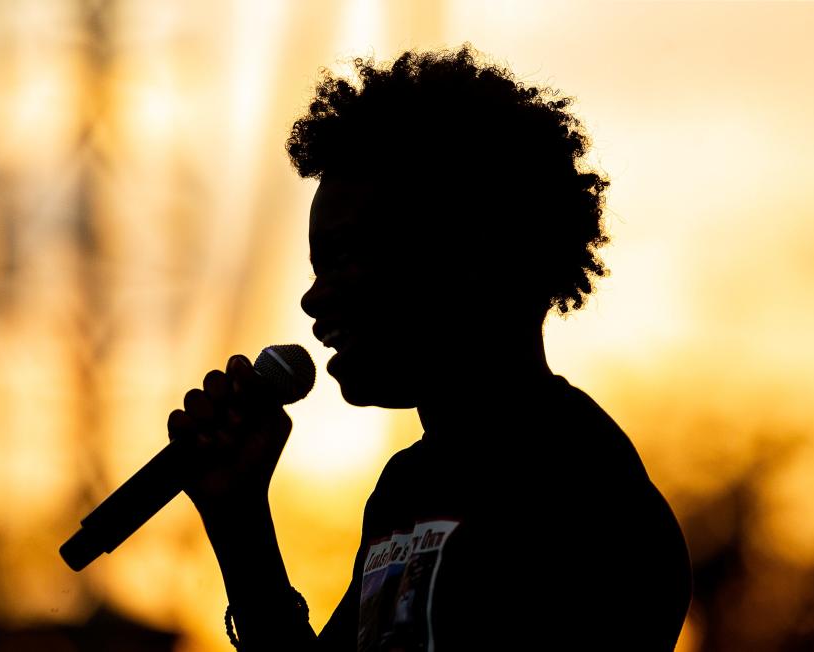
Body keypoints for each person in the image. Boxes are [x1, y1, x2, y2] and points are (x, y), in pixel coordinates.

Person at [166, 45, 692, 651]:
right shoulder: (410, 487)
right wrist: (240, 527)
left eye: (342, 258)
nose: (313, 301)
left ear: (467, 252)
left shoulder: (580, 494)